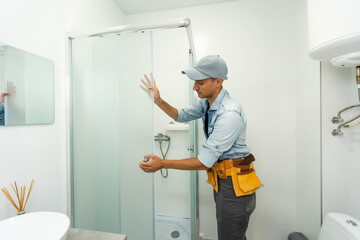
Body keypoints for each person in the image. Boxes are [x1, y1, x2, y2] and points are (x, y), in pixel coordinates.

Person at [139, 55, 261, 240]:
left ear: (218, 82)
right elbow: (181, 115)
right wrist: (158, 100)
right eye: (195, 82)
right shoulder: (207, 103)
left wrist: (162, 163)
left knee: (230, 236)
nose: (195, 87)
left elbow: (204, 161)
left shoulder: (229, 113)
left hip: (234, 187)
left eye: (200, 82)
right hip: (223, 180)